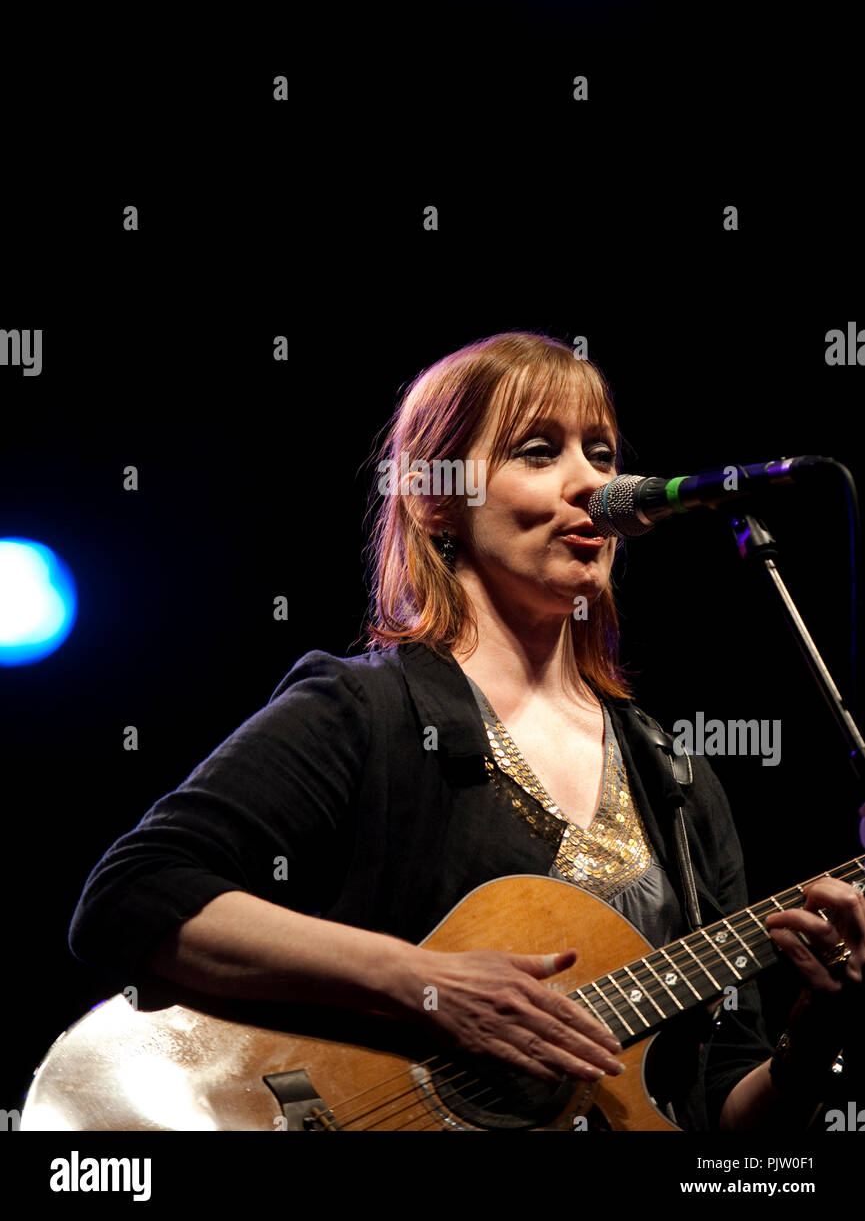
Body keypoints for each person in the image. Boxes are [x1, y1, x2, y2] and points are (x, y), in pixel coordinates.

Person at [69, 331, 864, 1131]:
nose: (592, 484)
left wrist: (817, 1031)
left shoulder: (678, 782)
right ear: (434, 499)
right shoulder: (365, 711)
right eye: (537, 451)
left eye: (600, 451)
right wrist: (425, 984)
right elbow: (133, 897)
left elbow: (723, 1114)